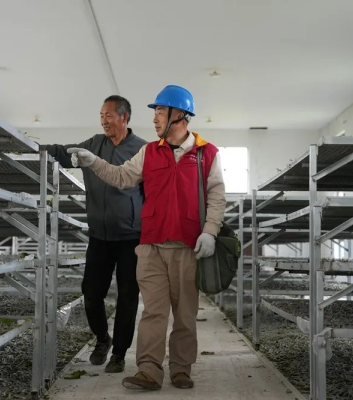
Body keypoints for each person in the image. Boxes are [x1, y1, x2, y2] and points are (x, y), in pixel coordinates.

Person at [66, 85, 226, 390]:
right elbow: (121, 176)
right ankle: (149, 370)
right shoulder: (149, 151)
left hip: (187, 247)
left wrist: (210, 232)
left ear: (180, 115)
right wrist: (93, 162)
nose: (154, 119)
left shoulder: (206, 153)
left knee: (185, 314)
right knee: (153, 312)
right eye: (155, 112)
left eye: (160, 112)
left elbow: (216, 195)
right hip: (151, 246)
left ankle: (181, 368)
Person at [40, 95, 147, 373]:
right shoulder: (94, 144)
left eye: (108, 115)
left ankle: (119, 353)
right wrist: (34, 148)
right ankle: (102, 339)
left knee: (127, 296)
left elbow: (150, 195)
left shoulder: (142, 150)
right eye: (101, 115)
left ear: (124, 117)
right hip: (100, 235)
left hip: (132, 238)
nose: (103, 121)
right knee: (91, 292)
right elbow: (65, 153)